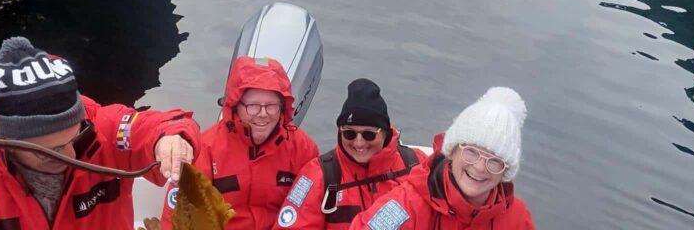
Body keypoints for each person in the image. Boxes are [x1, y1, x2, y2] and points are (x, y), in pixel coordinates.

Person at [0, 36, 201, 230]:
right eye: (50, 152)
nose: (70, 155)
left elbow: (156, 125)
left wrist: (171, 139)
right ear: (6, 141)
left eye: (76, 137)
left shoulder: (104, 130)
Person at [160, 56, 319, 230]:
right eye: (253, 106)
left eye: (271, 105)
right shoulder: (205, 148)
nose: (263, 114)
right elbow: (178, 216)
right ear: (236, 105)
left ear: (283, 107)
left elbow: (309, 212)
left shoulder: (303, 149)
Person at [349, 87, 535, 230]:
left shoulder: (517, 218)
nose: (480, 167)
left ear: (505, 171)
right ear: (452, 151)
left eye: (495, 161)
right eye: (471, 151)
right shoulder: (406, 206)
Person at [273, 78, 427, 230]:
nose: (358, 143)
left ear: (385, 133)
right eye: (349, 134)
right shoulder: (318, 176)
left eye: (368, 135)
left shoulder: (416, 165)